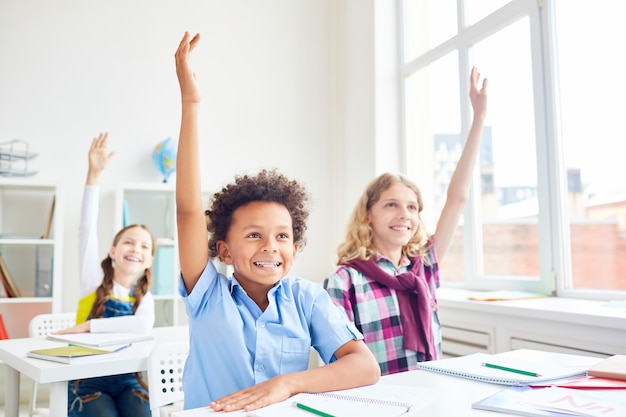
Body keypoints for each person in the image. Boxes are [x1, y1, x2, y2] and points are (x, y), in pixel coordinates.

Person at [174, 31, 380, 413]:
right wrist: (191, 103)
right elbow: (188, 211)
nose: (270, 246)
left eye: (282, 236)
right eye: (254, 235)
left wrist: (287, 384)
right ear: (223, 249)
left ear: (295, 248)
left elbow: (365, 366)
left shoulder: (307, 299)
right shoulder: (208, 296)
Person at [324, 66, 488, 376]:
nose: (404, 215)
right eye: (391, 205)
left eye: (412, 207)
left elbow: (457, 198)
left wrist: (478, 119)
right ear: (368, 214)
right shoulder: (344, 281)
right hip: (376, 402)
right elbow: (339, 365)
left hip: (431, 392)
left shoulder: (423, 265)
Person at [55, 132, 155, 417]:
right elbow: (86, 229)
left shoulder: (144, 294)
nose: (135, 249)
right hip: (87, 382)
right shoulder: (93, 280)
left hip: (128, 380)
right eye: (128, 242)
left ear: (149, 260)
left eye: (144, 246)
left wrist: (89, 327)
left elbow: (142, 327)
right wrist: (93, 174)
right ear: (113, 251)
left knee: (141, 411)